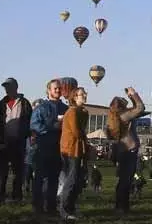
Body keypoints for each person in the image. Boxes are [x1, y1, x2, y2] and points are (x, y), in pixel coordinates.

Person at [30, 79, 68, 217]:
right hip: (43, 147)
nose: (57, 90)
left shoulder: (65, 109)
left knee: (54, 178)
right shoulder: (41, 108)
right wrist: (52, 127)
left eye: (59, 88)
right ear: (48, 91)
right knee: (40, 177)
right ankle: (38, 206)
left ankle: (51, 206)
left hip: (59, 148)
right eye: (55, 88)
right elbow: (34, 125)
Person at [107, 87, 146, 216]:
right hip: (129, 150)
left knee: (123, 180)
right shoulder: (124, 116)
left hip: (121, 151)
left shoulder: (114, 118)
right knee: (126, 181)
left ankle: (121, 206)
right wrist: (133, 94)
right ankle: (122, 207)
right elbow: (140, 108)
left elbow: (136, 110)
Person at [0, 78, 32, 203]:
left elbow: (29, 121)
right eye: (5, 87)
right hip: (4, 141)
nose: (7, 89)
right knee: (2, 170)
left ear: (16, 87)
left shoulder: (24, 103)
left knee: (18, 170)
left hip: (19, 141)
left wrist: (26, 135)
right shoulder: (1, 104)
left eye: (9, 87)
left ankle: (17, 195)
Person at [57, 86, 89, 221]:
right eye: (81, 94)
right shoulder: (72, 112)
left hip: (78, 149)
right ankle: (64, 209)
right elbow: (77, 132)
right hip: (71, 149)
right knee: (71, 179)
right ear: (75, 97)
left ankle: (71, 207)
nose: (85, 96)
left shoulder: (82, 112)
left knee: (77, 180)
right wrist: (84, 137)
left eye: (84, 94)